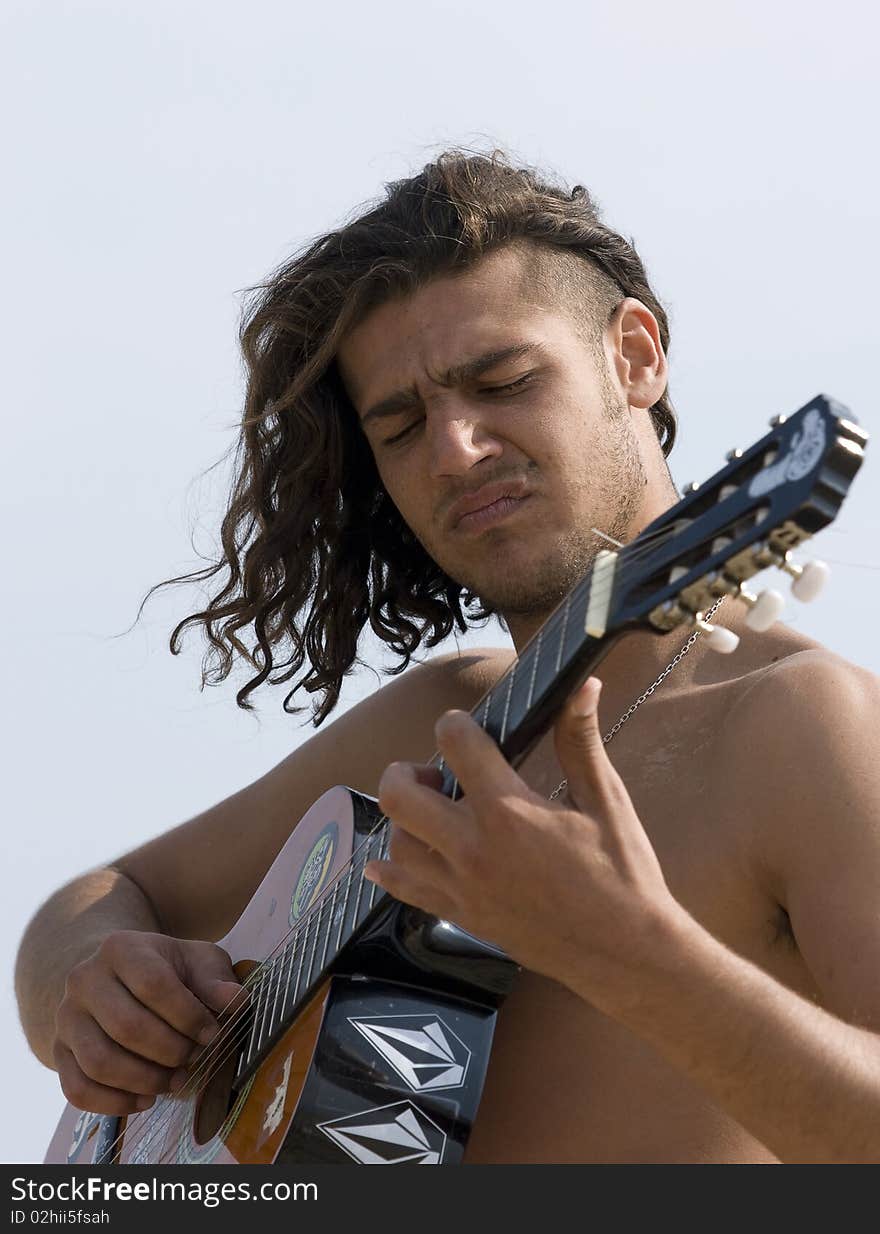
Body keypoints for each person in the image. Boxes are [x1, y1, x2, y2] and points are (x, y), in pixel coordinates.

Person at [15, 150, 880, 1164]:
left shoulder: (798, 726)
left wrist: (636, 954)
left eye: (502, 381)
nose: (454, 449)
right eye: (401, 424)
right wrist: (91, 981)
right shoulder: (438, 726)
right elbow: (98, 896)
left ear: (635, 355)